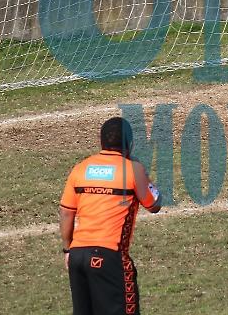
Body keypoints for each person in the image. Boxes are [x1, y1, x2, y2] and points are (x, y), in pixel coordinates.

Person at [60, 117, 162, 315]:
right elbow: (154, 204)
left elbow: (66, 212)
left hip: (77, 256)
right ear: (130, 143)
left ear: (101, 142)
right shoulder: (133, 170)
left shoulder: (80, 169)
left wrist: (67, 250)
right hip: (109, 257)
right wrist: (143, 173)